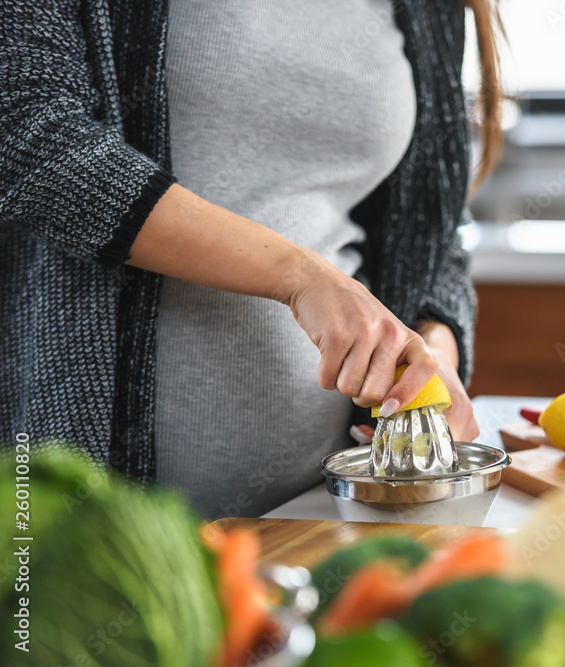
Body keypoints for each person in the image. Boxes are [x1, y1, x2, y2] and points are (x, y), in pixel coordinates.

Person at [0, 0, 503, 517]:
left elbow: (433, 229)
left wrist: (433, 351)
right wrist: (299, 276)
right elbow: (25, 129)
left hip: (321, 513)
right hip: (100, 510)